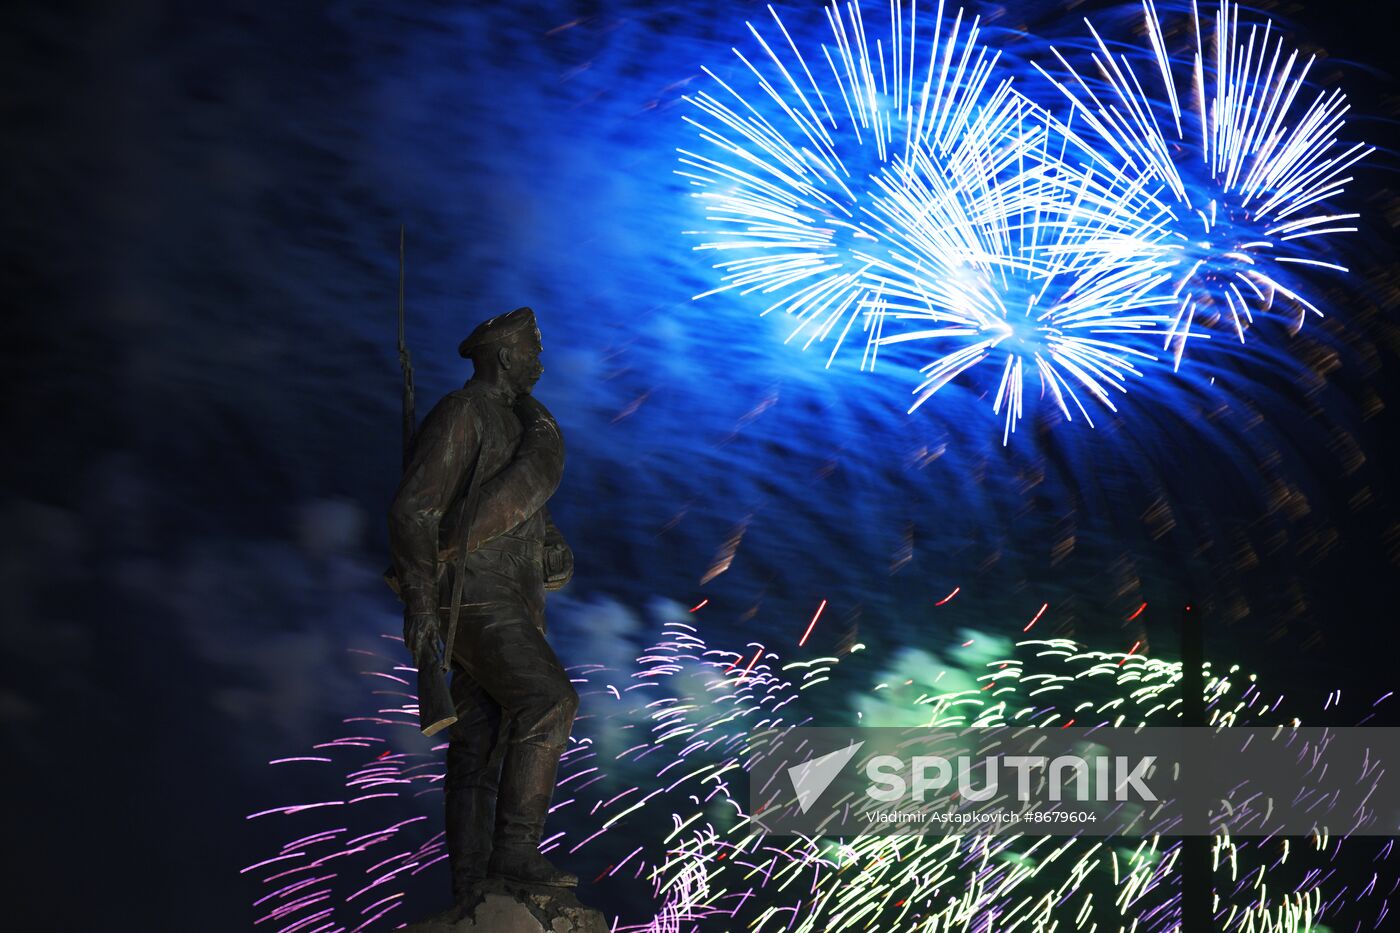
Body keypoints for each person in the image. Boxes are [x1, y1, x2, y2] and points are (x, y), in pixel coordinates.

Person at [388, 306, 579, 901]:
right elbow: (414, 510)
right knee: (549, 701)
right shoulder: (464, 412)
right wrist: (421, 601)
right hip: (472, 595)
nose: (539, 363)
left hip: (514, 598)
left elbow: (528, 519)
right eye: (532, 351)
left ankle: (474, 887)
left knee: (482, 741)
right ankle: (517, 851)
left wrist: (554, 553)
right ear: (504, 355)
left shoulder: (517, 430)